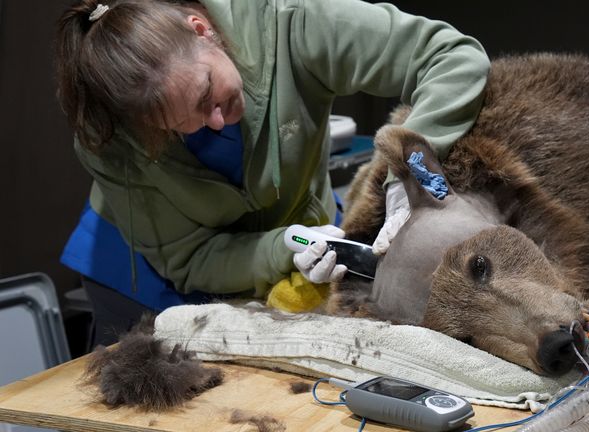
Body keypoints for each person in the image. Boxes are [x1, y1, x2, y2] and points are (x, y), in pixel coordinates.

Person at [55, 0, 490, 346]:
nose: (216, 122)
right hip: (139, 277)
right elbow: (190, 258)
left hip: (283, 243)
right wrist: (280, 248)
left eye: (208, 92)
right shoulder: (111, 138)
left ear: (202, 29)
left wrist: (409, 175)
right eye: (179, 125)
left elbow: (450, 56)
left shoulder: (290, 23)